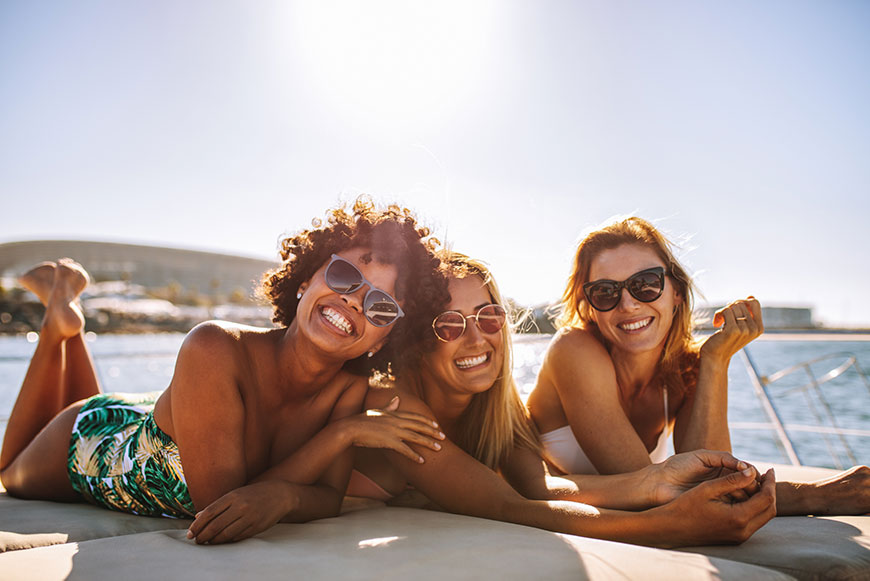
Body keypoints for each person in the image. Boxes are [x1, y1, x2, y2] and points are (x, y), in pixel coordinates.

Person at [0, 199, 450, 544]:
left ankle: (66, 319)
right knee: (8, 473)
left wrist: (291, 493)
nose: (354, 300)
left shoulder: (347, 389)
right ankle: (58, 324)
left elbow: (327, 498)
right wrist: (341, 435)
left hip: (172, 414)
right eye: (344, 276)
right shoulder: (213, 345)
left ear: (386, 336)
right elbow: (223, 507)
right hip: (95, 440)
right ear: (307, 279)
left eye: (381, 305)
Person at [343, 251, 777, 548]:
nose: (477, 337)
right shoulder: (394, 402)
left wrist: (657, 481)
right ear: (416, 339)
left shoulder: (497, 408)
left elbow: (541, 488)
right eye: (449, 325)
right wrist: (672, 524)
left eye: (488, 316)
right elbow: (505, 505)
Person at [527, 216, 870, 515]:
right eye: (605, 292)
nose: (628, 304)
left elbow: (712, 480)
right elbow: (654, 489)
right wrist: (813, 496)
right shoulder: (574, 350)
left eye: (646, 284)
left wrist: (715, 360)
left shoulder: (686, 368)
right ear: (589, 306)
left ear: (676, 292)